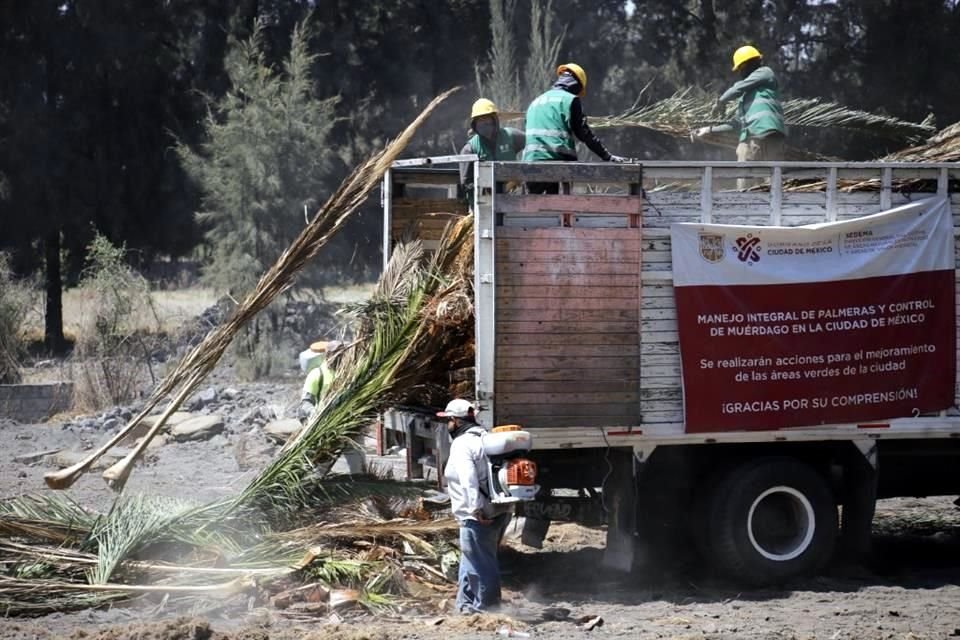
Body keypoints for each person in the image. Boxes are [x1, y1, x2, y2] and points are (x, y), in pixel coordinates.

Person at [439, 398, 511, 613]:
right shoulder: (488, 437)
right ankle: (465, 606)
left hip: (477, 514)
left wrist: (474, 509)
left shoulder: (462, 444)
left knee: (481, 563)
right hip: (499, 509)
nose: (447, 426)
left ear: (456, 421)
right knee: (471, 559)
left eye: (448, 421)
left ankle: (489, 609)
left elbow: (468, 479)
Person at [522, 62, 629, 194]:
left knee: (535, 208)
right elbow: (583, 134)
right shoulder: (570, 100)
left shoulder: (536, 101)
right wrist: (607, 156)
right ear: (577, 85)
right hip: (557, 164)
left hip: (530, 163)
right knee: (556, 208)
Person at [691, 45, 786, 188]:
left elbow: (738, 87)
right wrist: (708, 130)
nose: (740, 73)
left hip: (759, 139)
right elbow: (735, 124)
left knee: (757, 185)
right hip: (767, 139)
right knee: (768, 186)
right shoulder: (745, 99)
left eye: (740, 68)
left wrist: (721, 101)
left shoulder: (765, 73)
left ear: (746, 65)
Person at [459, 98, 525, 203]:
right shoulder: (470, 149)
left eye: (487, 118)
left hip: (514, 201)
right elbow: (466, 184)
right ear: (474, 124)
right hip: (484, 205)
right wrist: (491, 192)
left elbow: (533, 145)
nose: (485, 123)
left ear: (495, 120)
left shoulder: (512, 136)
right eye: (480, 120)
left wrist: (521, 171)